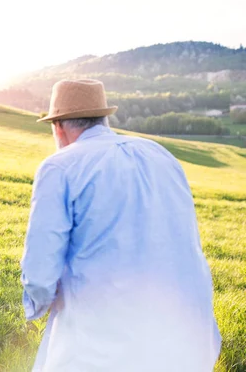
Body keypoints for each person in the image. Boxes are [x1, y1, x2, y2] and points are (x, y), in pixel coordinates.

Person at [21, 79, 221, 371]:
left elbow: (40, 273)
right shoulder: (161, 155)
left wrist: (37, 305)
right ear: (104, 118)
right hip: (190, 334)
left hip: (103, 345)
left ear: (59, 128)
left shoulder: (60, 167)